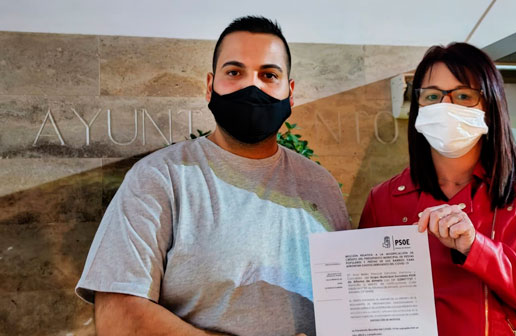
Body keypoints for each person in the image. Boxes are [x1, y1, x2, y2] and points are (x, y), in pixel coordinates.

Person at [76, 16, 349, 336]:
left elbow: (348, 299)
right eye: (235, 73)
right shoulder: (159, 179)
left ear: (290, 93)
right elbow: (118, 315)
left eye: (268, 74)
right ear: (210, 86)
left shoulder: (322, 185)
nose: (252, 86)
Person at [359, 43, 516, 336]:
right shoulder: (384, 199)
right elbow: (362, 309)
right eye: (432, 96)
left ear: (490, 104)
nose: (445, 107)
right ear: (418, 108)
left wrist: (478, 249)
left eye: (463, 95)